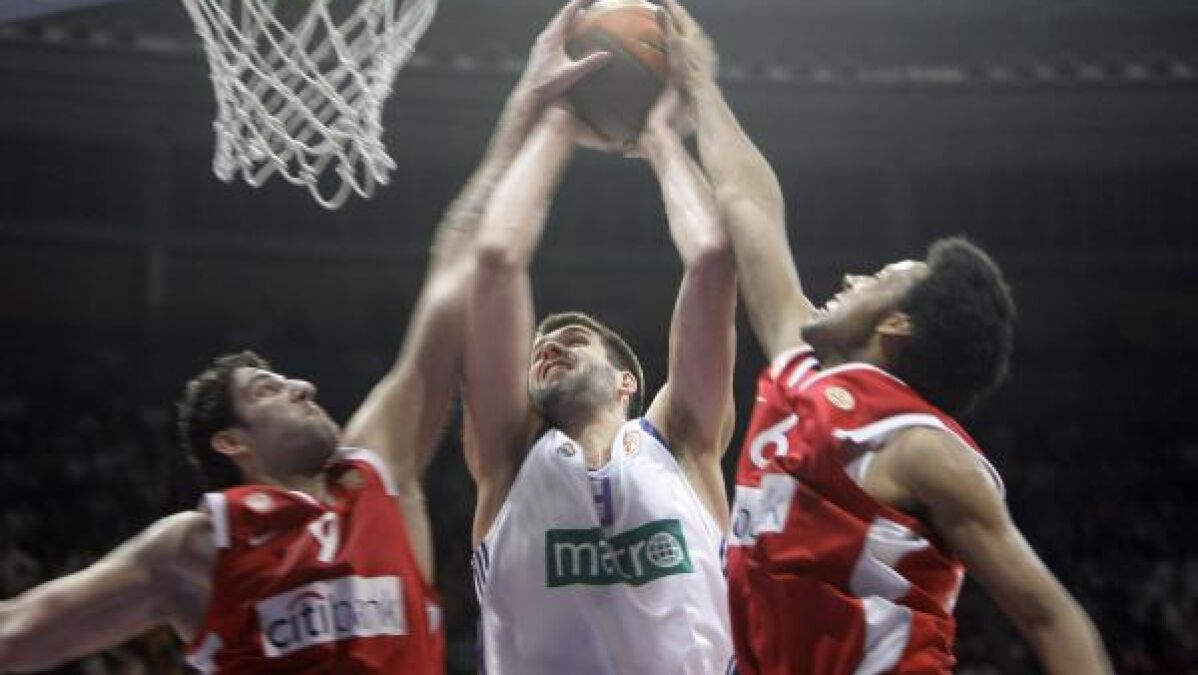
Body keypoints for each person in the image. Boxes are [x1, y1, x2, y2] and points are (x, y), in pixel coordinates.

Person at [0, 18, 607, 670]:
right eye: (268, 390)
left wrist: (527, 109)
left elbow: (453, 275)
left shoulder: (376, 471)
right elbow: (22, 627)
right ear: (231, 442)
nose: (303, 385)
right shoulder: (195, 548)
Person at [657, 1, 1115, 673]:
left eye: (877, 278)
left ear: (897, 325)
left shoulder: (920, 447)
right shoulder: (800, 371)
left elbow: (1052, 617)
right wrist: (700, 86)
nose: (851, 277)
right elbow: (751, 208)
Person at [462, 9, 737, 673]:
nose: (549, 345)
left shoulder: (681, 445)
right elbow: (495, 259)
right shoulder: (509, 458)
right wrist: (557, 120)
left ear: (627, 381)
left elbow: (713, 260)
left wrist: (661, 137)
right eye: (542, 346)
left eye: (575, 338)